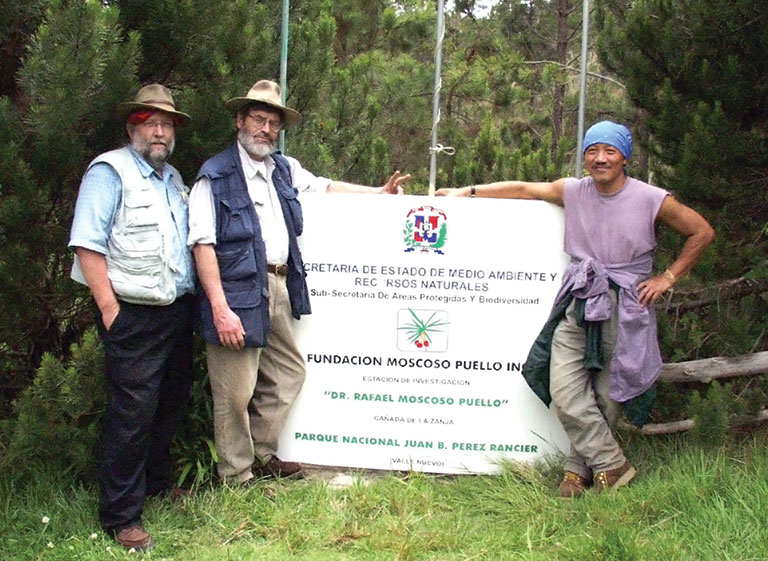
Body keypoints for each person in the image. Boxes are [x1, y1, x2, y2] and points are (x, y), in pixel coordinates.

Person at [436, 120, 715, 497]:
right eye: (592, 151)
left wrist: (668, 276)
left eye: (609, 151)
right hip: (581, 297)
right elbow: (522, 189)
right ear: (584, 156)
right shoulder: (573, 191)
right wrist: (466, 192)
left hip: (625, 303)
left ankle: (576, 472)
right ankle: (612, 464)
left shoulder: (652, 198)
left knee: (607, 393)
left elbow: (702, 232)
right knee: (564, 388)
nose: (600, 159)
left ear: (625, 157)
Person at [188, 80, 409, 485]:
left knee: (289, 373)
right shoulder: (214, 176)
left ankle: (262, 455)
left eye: (274, 122)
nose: (266, 128)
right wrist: (220, 308)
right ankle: (235, 476)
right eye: (258, 118)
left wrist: (378, 192)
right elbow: (202, 245)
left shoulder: (283, 169)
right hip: (236, 295)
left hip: (277, 287)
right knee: (235, 393)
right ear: (240, 120)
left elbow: (326, 186)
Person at [69, 84, 196, 551]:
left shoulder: (172, 178)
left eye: (167, 124)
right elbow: (87, 243)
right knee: (131, 416)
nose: (160, 131)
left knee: (168, 405)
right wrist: (111, 312)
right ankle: (121, 515)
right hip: (133, 316)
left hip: (176, 312)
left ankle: (154, 485)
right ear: (132, 127)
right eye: (151, 123)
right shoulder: (110, 171)